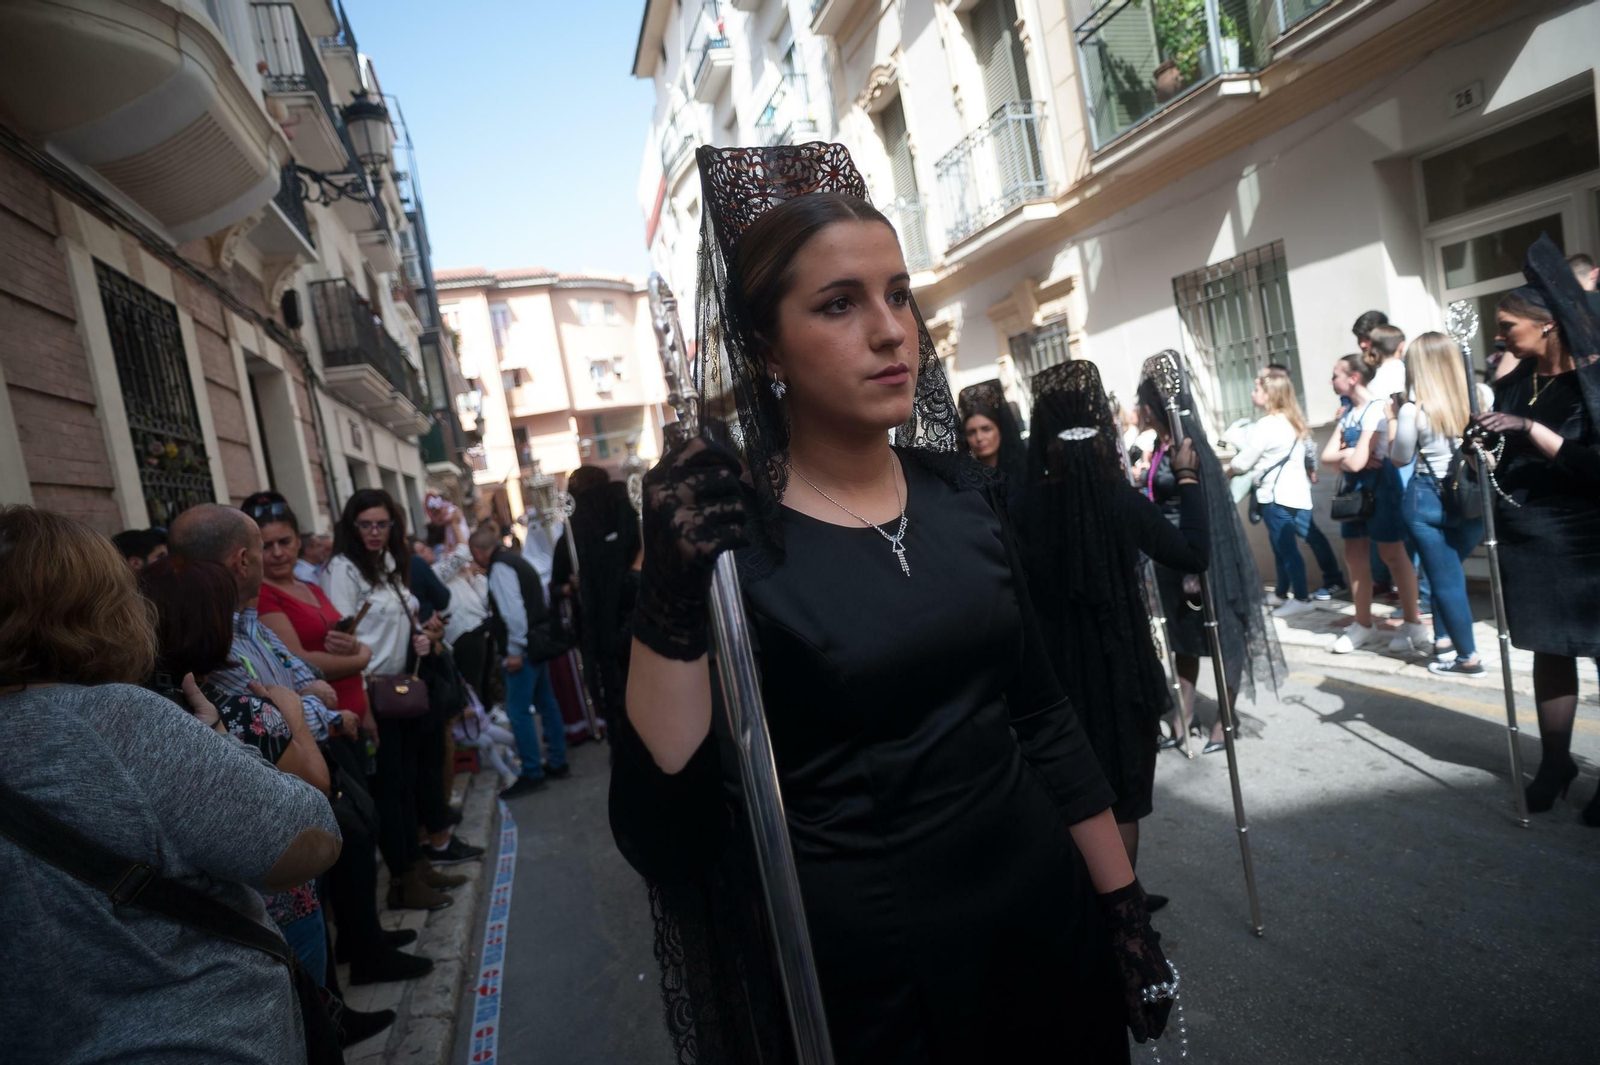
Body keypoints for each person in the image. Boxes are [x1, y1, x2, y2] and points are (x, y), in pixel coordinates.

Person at [614, 142, 1172, 1064]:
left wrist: (1120, 905)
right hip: (879, 985)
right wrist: (668, 600)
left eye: (899, 294)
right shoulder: (730, 548)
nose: (891, 331)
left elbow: (1042, 714)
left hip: (1048, 924)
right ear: (767, 348)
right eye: (840, 303)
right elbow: (668, 831)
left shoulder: (964, 496)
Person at [0, 504, 340, 1065]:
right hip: (198, 1037)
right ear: (97, 604)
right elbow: (305, 838)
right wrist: (225, 742)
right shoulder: (115, 717)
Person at [1020, 360, 1208, 912]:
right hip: (1120, 668)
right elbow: (1192, 554)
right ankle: (1123, 914)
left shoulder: (1021, 506)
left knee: (1073, 795)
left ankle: (1101, 908)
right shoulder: (1120, 500)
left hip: (1051, 675)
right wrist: (1189, 479)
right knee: (1121, 795)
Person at [244, 493, 437, 984]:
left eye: (285, 541)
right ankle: (365, 951)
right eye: (267, 545)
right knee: (350, 838)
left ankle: (364, 939)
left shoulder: (308, 584)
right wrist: (361, 657)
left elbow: (342, 640)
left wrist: (358, 675)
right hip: (319, 726)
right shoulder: (266, 596)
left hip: (350, 712)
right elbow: (299, 662)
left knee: (365, 827)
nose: (278, 552)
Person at [138, 555, 335, 987]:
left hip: (187, 934)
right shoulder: (243, 710)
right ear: (214, 628)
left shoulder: (137, 711)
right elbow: (317, 785)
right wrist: (293, 715)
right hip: (275, 909)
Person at [1473, 235, 1600, 823]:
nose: (1499, 336)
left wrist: (1529, 430)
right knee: (1549, 649)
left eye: (1508, 326)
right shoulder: (1515, 380)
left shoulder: (1591, 380)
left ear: (1547, 324)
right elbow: (1505, 451)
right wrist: (1485, 445)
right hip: (1531, 538)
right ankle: (1555, 762)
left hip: (1587, 540)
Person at [321, 489, 475, 910]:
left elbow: (398, 620)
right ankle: (403, 880)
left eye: (382, 524)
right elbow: (343, 638)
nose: (374, 532)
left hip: (403, 685)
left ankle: (417, 865)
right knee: (390, 788)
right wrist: (362, 701)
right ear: (352, 527)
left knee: (409, 783)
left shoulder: (388, 562)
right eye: (366, 525)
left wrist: (424, 635)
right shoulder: (342, 569)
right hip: (371, 692)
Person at [1137, 365, 1283, 753]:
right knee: (1183, 641)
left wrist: (1196, 568)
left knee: (1222, 637)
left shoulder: (1189, 446)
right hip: (1169, 560)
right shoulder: (1161, 446)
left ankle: (1224, 720)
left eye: (1141, 403)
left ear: (1151, 407)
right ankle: (1185, 716)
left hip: (1198, 559)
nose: (1138, 410)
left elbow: (1207, 508)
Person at [1389, 333, 1489, 678]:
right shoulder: (1480, 397)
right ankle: (1444, 640)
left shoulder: (1412, 410)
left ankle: (1468, 658)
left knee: (1445, 579)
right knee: (1446, 572)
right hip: (1471, 500)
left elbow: (1400, 458)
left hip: (1427, 500)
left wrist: (1395, 420)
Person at [1321, 355, 1431, 655]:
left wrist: (1348, 456)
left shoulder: (1376, 409)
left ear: (1353, 378)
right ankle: (1363, 624)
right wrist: (1349, 455)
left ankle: (1413, 624)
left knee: (1392, 554)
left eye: (1335, 375)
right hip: (1355, 491)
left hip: (1381, 488)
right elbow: (1327, 457)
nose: (1331, 381)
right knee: (1354, 556)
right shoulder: (1348, 413)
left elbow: (1356, 462)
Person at [469, 522, 571, 796]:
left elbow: (513, 612)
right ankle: (557, 761)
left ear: (478, 551)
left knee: (518, 711)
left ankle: (532, 771)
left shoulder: (500, 567)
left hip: (523, 649)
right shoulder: (514, 561)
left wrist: (514, 650)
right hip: (534, 643)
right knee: (546, 703)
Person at [1229, 372, 1322, 616]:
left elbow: (1244, 461)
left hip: (1275, 494)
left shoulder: (1267, 424)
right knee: (1281, 546)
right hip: (1296, 493)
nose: (1253, 394)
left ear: (1270, 395)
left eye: (1257, 390)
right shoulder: (1294, 421)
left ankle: (1301, 597)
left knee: (1286, 548)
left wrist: (1228, 470)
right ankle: (1282, 592)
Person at [1261, 365, 1345, 599]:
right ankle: (1284, 589)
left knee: (1306, 535)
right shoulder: (1278, 418)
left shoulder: (1289, 418)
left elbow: (1308, 447)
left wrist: (1311, 469)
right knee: (1283, 540)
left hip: (1290, 491)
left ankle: (1331, 580)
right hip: (1285, 490)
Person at [958, 378, 1026, 508]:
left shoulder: (1023, 472)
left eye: (986, 429)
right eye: (971, 432)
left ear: (1000, 430)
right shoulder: (966, 481)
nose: (979, 438)